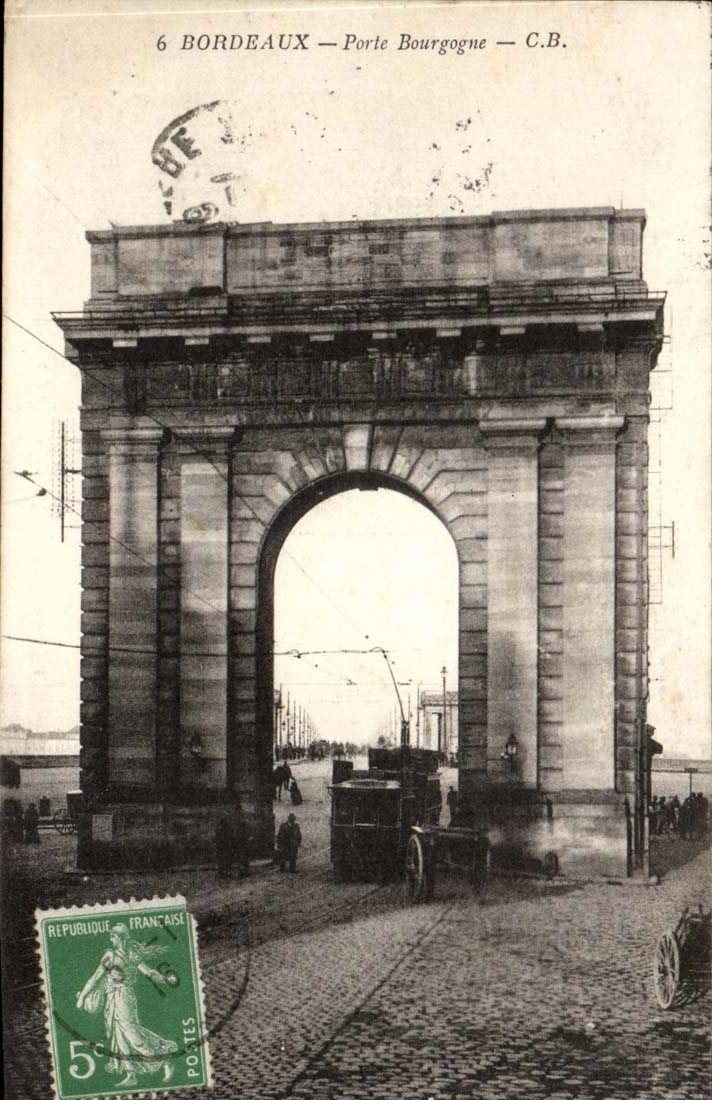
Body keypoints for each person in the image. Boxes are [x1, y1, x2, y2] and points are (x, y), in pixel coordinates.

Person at [76, 923, 178, 1089]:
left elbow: (149, 973)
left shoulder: (131, 954)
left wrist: (165, 979)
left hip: (125, 997)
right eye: (111, 936)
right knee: (119, 1035)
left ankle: (165, 1059)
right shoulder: (109, 956)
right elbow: (95, 977)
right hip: (111, 998)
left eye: (113, 936)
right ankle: (131, 1075)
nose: (111, 939)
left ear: (121, 937)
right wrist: (82, 998)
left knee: (132, 1034)